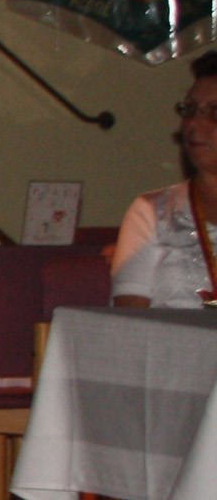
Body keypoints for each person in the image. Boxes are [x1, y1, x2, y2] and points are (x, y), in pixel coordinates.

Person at [107, 48, 217, 308]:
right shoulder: (153, 211)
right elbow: (129, 320)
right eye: (190, 110)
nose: (194, 124)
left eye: (215, 113)